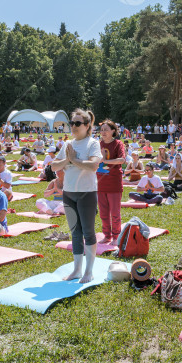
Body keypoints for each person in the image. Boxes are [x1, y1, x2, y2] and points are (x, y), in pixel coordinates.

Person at [50, 109, 103, 283]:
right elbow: (54, 167)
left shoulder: (92, 143)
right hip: (69, 193)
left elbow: (94, 165)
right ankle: (77, 270)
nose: (73, 126)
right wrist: (68, 160)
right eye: (71, 123)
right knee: (75, 232)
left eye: (77, 123)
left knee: (88, 232)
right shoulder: (68, 145)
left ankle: (89, 272)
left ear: (87, 126)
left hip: (86, 193)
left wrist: (74, 161)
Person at [97, 119, 125, 245]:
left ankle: (116, 237)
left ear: (113, 131)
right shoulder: (97, 144)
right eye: (102, 130)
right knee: (103, 213)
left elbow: (122, 160)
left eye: (106, 129)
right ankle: (107, 236)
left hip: (114, 183)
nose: (103, 132)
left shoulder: (118, 144)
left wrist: (105, 161)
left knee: (114, 213)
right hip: (100, 184)